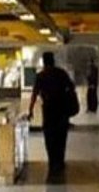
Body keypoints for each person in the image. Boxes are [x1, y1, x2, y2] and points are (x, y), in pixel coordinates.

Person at [28, 52, 75, 182]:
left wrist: (30, 110)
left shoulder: (41, 76)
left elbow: (34, 94)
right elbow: (71, 87)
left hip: (48, 110)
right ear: (53, 60)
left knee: (49, 137)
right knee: (61, 136)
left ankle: (52, 161)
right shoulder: (62, 73)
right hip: (62, 110)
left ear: (44, 62)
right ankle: (60, 161)